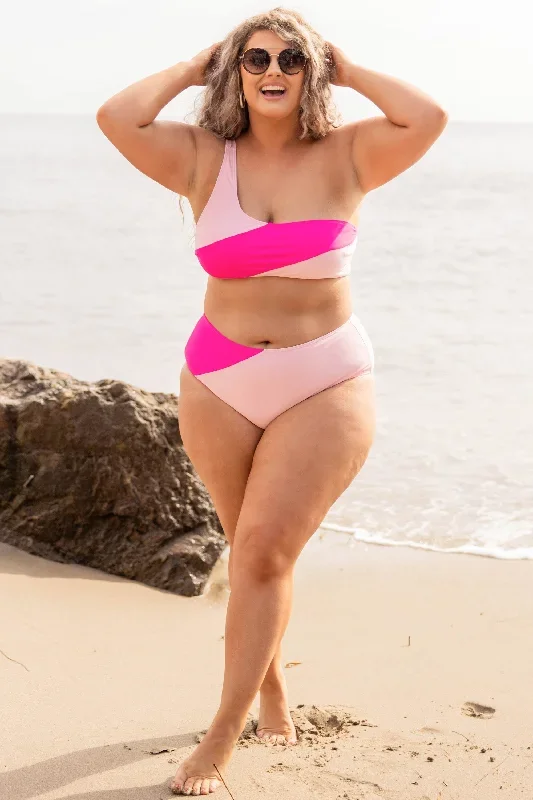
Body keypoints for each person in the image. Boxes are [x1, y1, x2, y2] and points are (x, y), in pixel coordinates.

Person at [96, 6, 447, 796]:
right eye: (255, 59)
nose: (274, 71)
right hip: (216, 377)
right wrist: (195, 65)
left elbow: (428, 116)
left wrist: (345, 65)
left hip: (323, 378)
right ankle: (271, 687)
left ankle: (221, 737)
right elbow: (115, 116)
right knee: (246, 545)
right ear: (237, 71)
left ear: (311, 71)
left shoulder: (353, 152)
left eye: (292, 58)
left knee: (262, 553)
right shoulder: (200, 157)